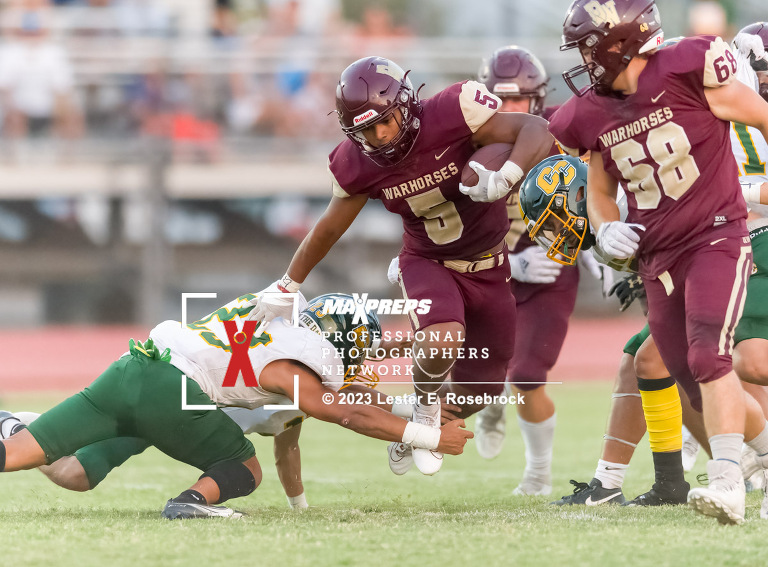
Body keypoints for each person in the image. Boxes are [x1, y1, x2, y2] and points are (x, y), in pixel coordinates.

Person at [250, 56, 553, 476]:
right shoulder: (358, 162)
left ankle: (409, 427)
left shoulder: (454, 110)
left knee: (482, 387)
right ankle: (424, 410)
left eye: (384, 122)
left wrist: (507, 175)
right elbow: (328, 228)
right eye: (365, 130)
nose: (379, 136)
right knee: (443, 339)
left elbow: (536, 129)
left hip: (490, 264)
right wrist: (287, 283)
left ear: (405, 104)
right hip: (428, 260)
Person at [548, 0, 768, 524]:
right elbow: (599, 190)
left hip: (717, 234)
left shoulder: (688, 68)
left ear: (620, 40)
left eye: (587, 46)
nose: (583, 59)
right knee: (694, 380)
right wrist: (605, 227)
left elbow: (761, 114)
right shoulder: (588, 112)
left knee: (709, 353)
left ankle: (727, 482)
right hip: (658, 253)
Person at [0, 292, 472, 519]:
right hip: (174, 395)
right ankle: (189, 504)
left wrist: (415, 406)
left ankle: (9, 424)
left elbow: (353, 400)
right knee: (244, 467)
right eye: (361, 349)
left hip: (131, 368)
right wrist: (430, 436)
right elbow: (345, 412)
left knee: (30, 459)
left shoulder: (277, 332)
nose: (361, 362)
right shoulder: (294, 365)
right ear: (340, 341)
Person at [472, 45, 613, 496]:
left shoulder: (564, 128)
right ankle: (490, 406)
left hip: (552, 259)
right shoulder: (468, 139)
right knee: (474, 375)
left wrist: (597, 244)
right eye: (502, 100)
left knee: (528, 374)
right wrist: (511, 264)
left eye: (521, 101)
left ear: (537, 98)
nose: (512, 111)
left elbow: (592, 187)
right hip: (493, 264)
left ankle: (537, 475)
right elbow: (460, 225)